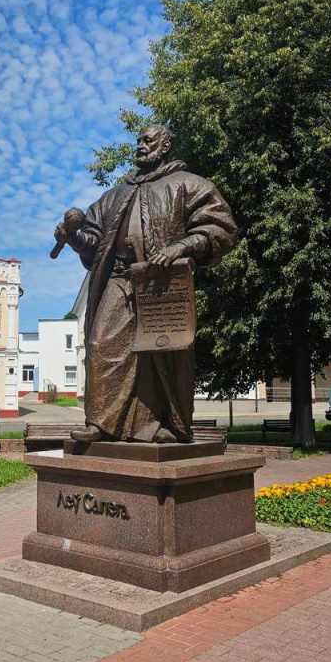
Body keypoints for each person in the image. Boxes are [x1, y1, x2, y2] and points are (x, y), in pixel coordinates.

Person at [54, 124, 238, 443]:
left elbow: (220, 229)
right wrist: (73, 237)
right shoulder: (115, 195)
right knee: (100, 344)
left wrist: (181, 247)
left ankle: (169, 426)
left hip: (162, 280)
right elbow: (95, 241)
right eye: (138, 140)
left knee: (165, 353)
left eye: (147, 140)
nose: (139, 145)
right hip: (120, 277)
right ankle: (99, 423)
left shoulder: (188, 184)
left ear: (164, 146)